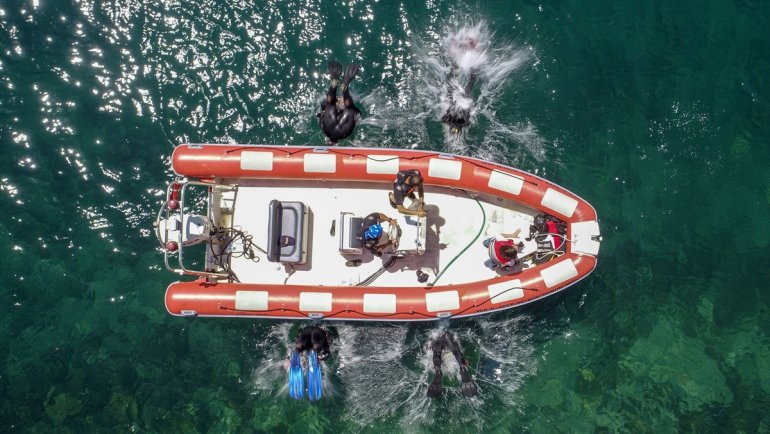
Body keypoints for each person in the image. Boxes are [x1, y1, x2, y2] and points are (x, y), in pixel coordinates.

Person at [318, 61, 361, 144]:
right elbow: (329, 103)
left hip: (342, 132)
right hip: (328, 128)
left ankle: (344, 89)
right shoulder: (325, 129)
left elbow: (354, 114)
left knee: (350, 108)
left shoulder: (343, 135)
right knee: (331, 104)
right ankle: (334, 82)